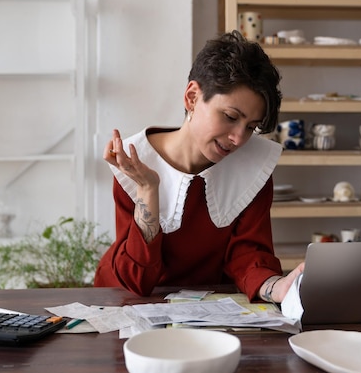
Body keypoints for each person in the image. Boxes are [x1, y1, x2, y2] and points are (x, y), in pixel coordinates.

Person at [94, 30, 304, 303]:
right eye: (230, 116)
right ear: (192, 97)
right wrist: (148, 189)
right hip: (126, 301)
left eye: (251, 127)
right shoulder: (136, 161)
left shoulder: (253, 165)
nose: (239, 138)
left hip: (210, 306)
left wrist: (276, 287)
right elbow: (136, 280)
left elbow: (249, 255)